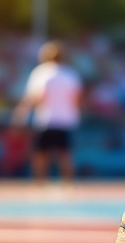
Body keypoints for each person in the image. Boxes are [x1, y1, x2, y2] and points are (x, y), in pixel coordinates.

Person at [13, 41, 82, 183]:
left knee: (41, 153)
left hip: (46, 119)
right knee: (65, 153)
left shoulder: (41, 73)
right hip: (66, 119)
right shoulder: (70, 74)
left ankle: (40, 183)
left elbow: (34, 96)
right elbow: (77, 98)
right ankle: (68, 183)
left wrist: (21, 114)